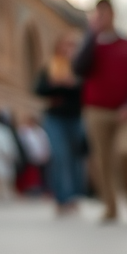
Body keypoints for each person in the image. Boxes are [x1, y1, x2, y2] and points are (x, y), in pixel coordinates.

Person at [73, 0, 127, 222]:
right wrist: (90, 34)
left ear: (113, 14)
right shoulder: (91, 44)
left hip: (125, 111)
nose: (101, 18)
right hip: (96, 110)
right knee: (103, 160)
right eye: (97, 14)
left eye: (104, 13)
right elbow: (78, 68)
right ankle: (111, 207)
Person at [36, 35, 84, 215]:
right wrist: (56, 84)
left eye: (71, 46)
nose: (67, 50)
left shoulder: (79, 69)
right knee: (59, 155)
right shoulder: (51, 66)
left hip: (75, 117)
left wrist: (73, 84)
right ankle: (61, 197)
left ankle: (73, 196)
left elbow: (86, 93)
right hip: (55, 117)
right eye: (64, 46)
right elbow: (39, 89)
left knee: (74, 158)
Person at [16, 115, 51, 195]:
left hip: (42, 158)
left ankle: (41, 189)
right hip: (29, 157)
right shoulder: (23, 131)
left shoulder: (40, 131)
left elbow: (45, 144)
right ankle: (30, 190)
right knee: (30, 175)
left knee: (42, 176)